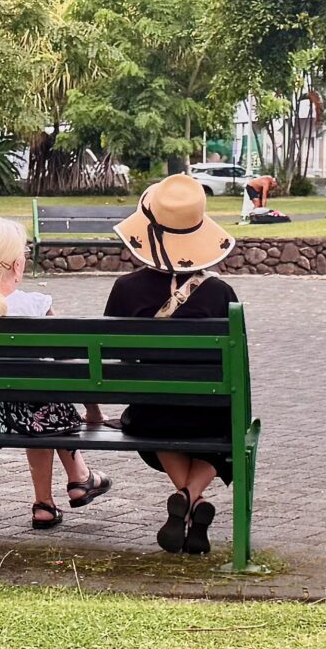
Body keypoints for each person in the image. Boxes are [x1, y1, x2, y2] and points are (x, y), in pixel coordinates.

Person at [0, 217, 112, 530]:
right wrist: (93, 409)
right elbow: (71, 365)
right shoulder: (35, 305)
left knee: (37, 400)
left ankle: (45, 504)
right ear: (18, 264)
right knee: (43, 398)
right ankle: (79, 476)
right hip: (35, 415)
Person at [105, 173, 242, 555]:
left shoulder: (125, 290)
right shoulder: (221, 293)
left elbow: (112, 354)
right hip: (210, 414)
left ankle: (185, 499)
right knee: (223, 436)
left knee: (152, 416)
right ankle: (191, 498)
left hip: (152, 414)